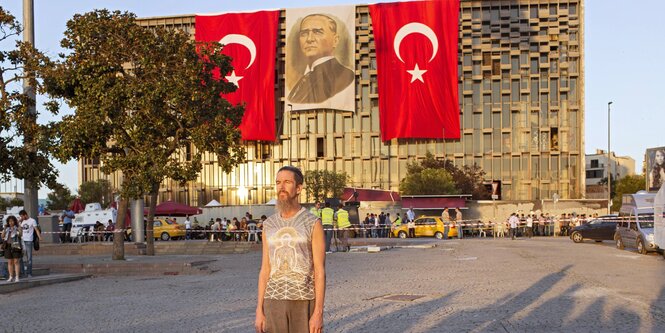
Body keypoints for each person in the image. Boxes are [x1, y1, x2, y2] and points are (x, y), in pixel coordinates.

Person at [255, 166, 325, 333]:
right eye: (278, 182)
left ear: (299, 188)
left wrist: (318, 312)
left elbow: (319, 271)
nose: (281, 187)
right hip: (273, 300)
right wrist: (259, 309)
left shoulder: (312, 223)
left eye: (287, 182)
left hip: (303, 300)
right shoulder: (268, 225)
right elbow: (265, 269)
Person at [288, 14, 354, 104]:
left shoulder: (345, 76)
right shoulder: (305, 76)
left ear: (335, 40)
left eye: (317, 32)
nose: (309, 39)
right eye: (304, 33)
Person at [19, 210, 41, 278]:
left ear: (25, 215)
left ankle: (29, 273)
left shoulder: (32, 220)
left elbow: (36, 229)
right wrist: (19, 222)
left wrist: (40, 237)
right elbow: (20, 230)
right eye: (21, 216)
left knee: (29, 258)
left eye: (22, 216)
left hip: (29, 240)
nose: (21, 217)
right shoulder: (22, 221)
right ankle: (22, 272)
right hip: (22, 240)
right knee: (20, 257)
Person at [2, 216, 22, 282]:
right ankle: (11, 276)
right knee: (10, 262)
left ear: (15, 221)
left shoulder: (17, 227)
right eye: (9, 221)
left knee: (16, 261)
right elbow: (2, 236)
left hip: (16, 245)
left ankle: (17, 277)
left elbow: (20, 235)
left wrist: (19, 227)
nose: (11, 222)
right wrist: (4, 229)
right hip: (8, 245)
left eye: (12, 221)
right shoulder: (7, 228)